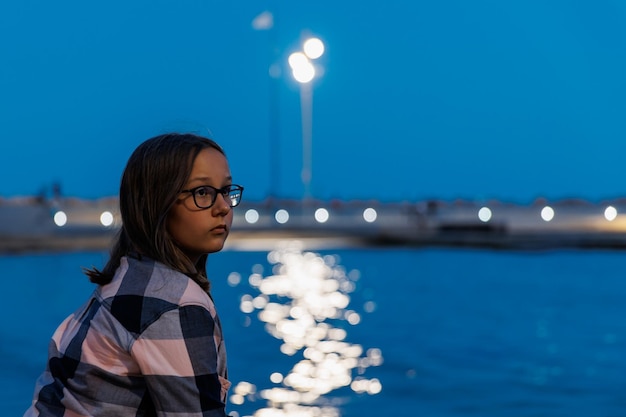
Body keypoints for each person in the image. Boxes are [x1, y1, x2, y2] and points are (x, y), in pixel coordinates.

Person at [24, 132, 244, 417]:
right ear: (156, 203)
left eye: (226, 191)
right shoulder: (173, 304)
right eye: (202, 192)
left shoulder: (127, 279)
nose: (223, 207)